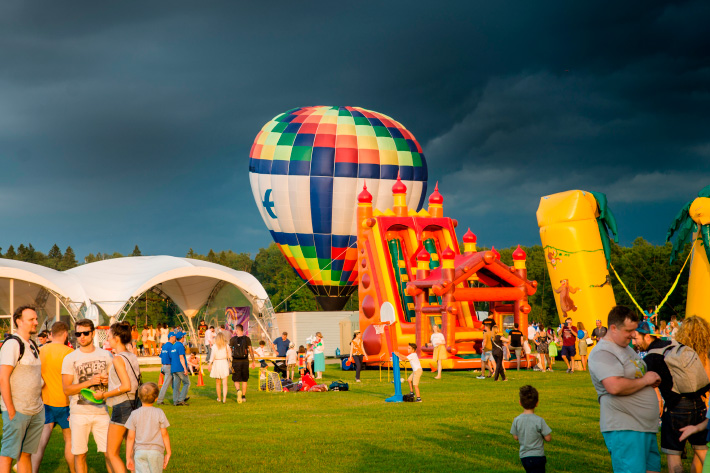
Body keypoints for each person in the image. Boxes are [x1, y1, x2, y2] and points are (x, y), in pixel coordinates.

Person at [588, 306, 662, 473]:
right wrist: (645, 380)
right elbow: (614, 386)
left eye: (634, 330)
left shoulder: (626, 348)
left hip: (643, 428)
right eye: (629, 330)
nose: (633, 335)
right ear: (613, 328)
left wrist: (649, 379)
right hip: (625, 429)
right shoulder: (602, 352)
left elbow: (635, 377)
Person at [634, 319, 709, 473]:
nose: (634, 342)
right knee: (703, 452)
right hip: (699, 404)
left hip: (676, 408)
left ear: (647, 337)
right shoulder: (674, 345)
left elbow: (646, 383)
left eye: (636, 338)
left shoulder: (651, 357)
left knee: (674, 455)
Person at [61, 318, 114, 473]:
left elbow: (116, 385)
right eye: (78, 333)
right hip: (79, 413)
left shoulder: (106, 356)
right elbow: (67, 390)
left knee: (110, 454)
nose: (82, 337)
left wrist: (107, 382)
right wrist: (89, 382)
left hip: (101, 412)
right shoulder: (70, 358)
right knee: (80, 455)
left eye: (85, 333)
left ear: (93, 333)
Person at [93, 322, 142, 473]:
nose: (107, 339)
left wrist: (103, 395)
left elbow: (126, 385)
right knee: (131, 450)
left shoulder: (117, 359)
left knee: (112, 452)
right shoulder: (132, 356)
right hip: (136, 404)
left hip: (122, 407)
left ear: (117, 338)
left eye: (109, 336)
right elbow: (131, 381)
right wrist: (110, 380)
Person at [0, 306, 44, 473]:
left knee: (25, 455)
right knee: (7, 455)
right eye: (32, 319)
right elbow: (3, 378)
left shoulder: (32, 344)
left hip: (35, 410)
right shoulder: (13, 344)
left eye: (36, 318)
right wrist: (11, 410)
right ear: (19, 321)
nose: (36, 322)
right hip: (17, 411)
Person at [31, 321, 75, 473]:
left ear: (51, 334)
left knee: (40, 442)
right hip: (65, 402)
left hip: (45, 401)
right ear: (65, 334)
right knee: (69, 440)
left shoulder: (41, 351)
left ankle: (32, 470)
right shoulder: (69, 352)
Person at [125, 383, 171, 473]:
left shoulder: (134, 414)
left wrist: (128, 457)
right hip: (156, 452)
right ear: (156, 398)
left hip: (139, 452)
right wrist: (168, 452)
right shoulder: (159, 412)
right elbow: (164, 434)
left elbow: (130, 437)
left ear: (139, 397)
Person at [511, 385, 552, 473]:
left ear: (520, 402)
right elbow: (548, 438)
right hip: (538, 456)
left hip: (524, 457)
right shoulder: (539, 420)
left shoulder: (517, 420)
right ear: (537, 403)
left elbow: (515, 437)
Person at [229, 324, 256, 403]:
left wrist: (229, 360)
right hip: (245, 361)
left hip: (236, 361)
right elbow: (250, 350)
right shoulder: (247, 339)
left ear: (237, 330)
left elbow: (229, 350)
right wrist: (253, 361)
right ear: (242, 330)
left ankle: (238, 390)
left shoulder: (233, 339)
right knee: (244, 379)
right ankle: (243, 396)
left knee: (236, 379)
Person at [208, 332, 231, 403]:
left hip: (217, 363)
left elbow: (212, 356)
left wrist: (210, 364)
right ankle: (224, 398)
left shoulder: (214, 346)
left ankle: (219, 398)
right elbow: (230, 356)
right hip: (224, 363)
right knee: (225, 383)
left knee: (218, 383)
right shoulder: (226, 346)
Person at [170, 333, 190, 406]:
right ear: (182, 338)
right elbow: (181, 358)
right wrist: (185, 368)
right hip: (180, 367)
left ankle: (175, 401)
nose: (184, 338)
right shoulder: (180, 346)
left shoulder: (174, 345)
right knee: (186, 383)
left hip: (174, 368)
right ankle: (181, 399)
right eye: (184, 336)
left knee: (176, 385)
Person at [155, 333, 174, 406]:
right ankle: (160, 400)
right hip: (169, 366)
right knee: (165, 384)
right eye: (174, 337)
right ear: (171, 337)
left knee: (174, 384)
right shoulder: (171, 346)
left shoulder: (164, 346)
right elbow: (172, 357)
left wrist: (162, 367)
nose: (175, 338)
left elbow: (162, 357)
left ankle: (180, 397)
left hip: (165, 366)